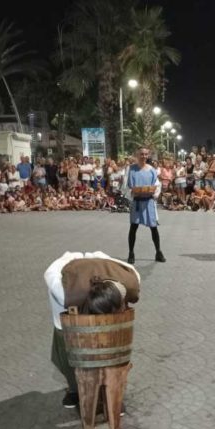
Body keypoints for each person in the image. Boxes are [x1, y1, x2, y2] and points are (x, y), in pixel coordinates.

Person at [44, 251, 140, 409]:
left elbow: (128, 268)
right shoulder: (63, 292)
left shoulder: (129, 284)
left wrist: (101, 257)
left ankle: (111, 391)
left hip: (111, 314)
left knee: (113, 356)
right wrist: (69, 257)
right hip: (67, 321)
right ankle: (75, 390)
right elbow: (50, 272)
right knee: (68, 358)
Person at [124, 147, 165, 264]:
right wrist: (132, 192)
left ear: (148, 155)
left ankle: (158, 252)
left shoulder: (152, 170)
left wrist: (154, 193)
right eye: (141, 154)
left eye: (146, 154)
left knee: (154, 228)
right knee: (133, 227)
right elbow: (126, 185)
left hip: (148, 202)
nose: (144, 156)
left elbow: (157, 185)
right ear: (137, 155)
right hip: (136, 202)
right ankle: (131, 253)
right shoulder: (131, 169)